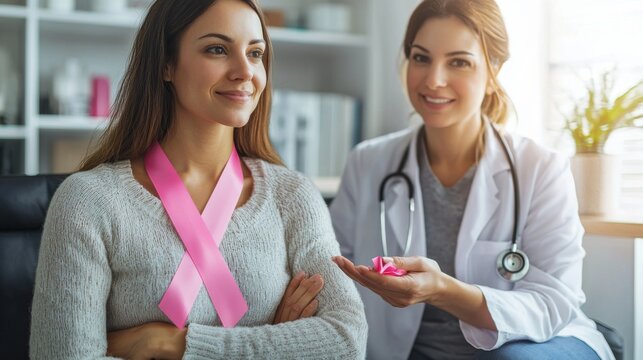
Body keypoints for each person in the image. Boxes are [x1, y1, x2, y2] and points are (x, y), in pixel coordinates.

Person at [29, 0, 367, 358]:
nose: (244, 71)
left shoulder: (292, 196)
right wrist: (277, 342)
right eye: (217, 49)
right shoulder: (87, 203)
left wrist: (168, 343)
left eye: (255, 53)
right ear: (166, 65)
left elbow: (347, 341)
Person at [330, 0, 614, 359]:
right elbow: (337, 276)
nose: (434, 79)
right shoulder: (368, 162)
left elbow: (554, 303)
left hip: (532, 345)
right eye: (421, 58)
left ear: (493, 69)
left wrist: (443, 290)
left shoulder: (540, 168)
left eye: (458, 62)